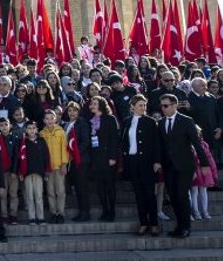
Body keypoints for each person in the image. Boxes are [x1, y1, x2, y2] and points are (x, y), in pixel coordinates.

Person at [158, 94, 211, 239]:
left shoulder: (186, 121)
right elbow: (161, 146)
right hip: (169, 166)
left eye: (166, 105)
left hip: (185, 165)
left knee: (182, 195)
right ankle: (179, 226)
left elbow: (196, 143)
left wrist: (204, 163)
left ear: (174, 105)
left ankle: (186, 227)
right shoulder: (161, 123)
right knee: (174, 197)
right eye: (161, 105)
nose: (163, 108)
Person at [121, 95, 161, 236]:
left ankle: (154, 223)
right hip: (132, 161)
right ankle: (143, 222)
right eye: (140, 105)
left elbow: (157, 143)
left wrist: (157, 161)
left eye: (144, 105)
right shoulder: (126, 122)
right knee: (139, 195)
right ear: (132, 106)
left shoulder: (150, 122)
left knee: (150, 194)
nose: (143, 108)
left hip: (147, 162)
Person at [88, 96, 120, 222]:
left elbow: (114, 139)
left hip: (108, 157)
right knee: (100, 186)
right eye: (92, 103)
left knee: (110, 186)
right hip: (96, 158)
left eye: (95, 103)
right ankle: (105, 211)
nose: (92, 105)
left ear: (101, 105)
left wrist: (113, 156)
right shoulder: (91, 120)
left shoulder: (110, 119)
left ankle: (111, 211)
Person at [16, 121, 50, 225]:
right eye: (29, 128)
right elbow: (19, 158)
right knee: (29, 196)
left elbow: (46, 157)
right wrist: (20, 172)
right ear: (26, 130)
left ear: (37, 129)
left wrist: (47, 171)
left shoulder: (41, 141)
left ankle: (40, 217)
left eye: (33, 128)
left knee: (39, 196)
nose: (31, 130)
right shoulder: (22, 142)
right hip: (27, 173)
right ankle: (32, 217)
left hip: (39, 172)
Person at [65, 102, 92, 222]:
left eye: (74, 110)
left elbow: (85, 142)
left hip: (81, 160)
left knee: (82, 188)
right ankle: (82, 211)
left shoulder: (82, 123)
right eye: (70, 110)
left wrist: (74, 154)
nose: (72, 113)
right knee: (77, 187)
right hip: (72, 161)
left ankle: (85, 212)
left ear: (78, 111)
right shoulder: (67, 125)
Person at [41, 109, 69, 223]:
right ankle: (54, 213)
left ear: (56, 118)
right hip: (48, 168)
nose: (49, 120)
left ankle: (61, 213)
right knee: (50, 191)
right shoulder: (42, 134)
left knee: (60, 191)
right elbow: (41, 152)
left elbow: (64, 149)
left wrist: (64, 164)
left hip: (58, 166)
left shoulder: (61, 132)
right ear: (44, 120)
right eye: (47, 119)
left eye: (51, 118)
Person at [190, 127, 218, 220]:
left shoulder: (204, 145)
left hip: (204, 170)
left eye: (197, 132)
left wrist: (213, 172)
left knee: (203, 191)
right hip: (194, 170)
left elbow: (210, 159)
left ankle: (205, 212)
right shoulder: (189, 145)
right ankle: (195, 212)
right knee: (194, 192)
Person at [0, 118, 20, 224]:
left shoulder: (15, 138)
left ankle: (13, 215)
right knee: (2, 194)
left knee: (13, 194)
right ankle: (4, 215)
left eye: (6, 124)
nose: (4, 127)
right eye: (1, 125)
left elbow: (17, 156)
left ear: (10, 126)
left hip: (12, 171)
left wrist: (14, 171)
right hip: (1, 172)